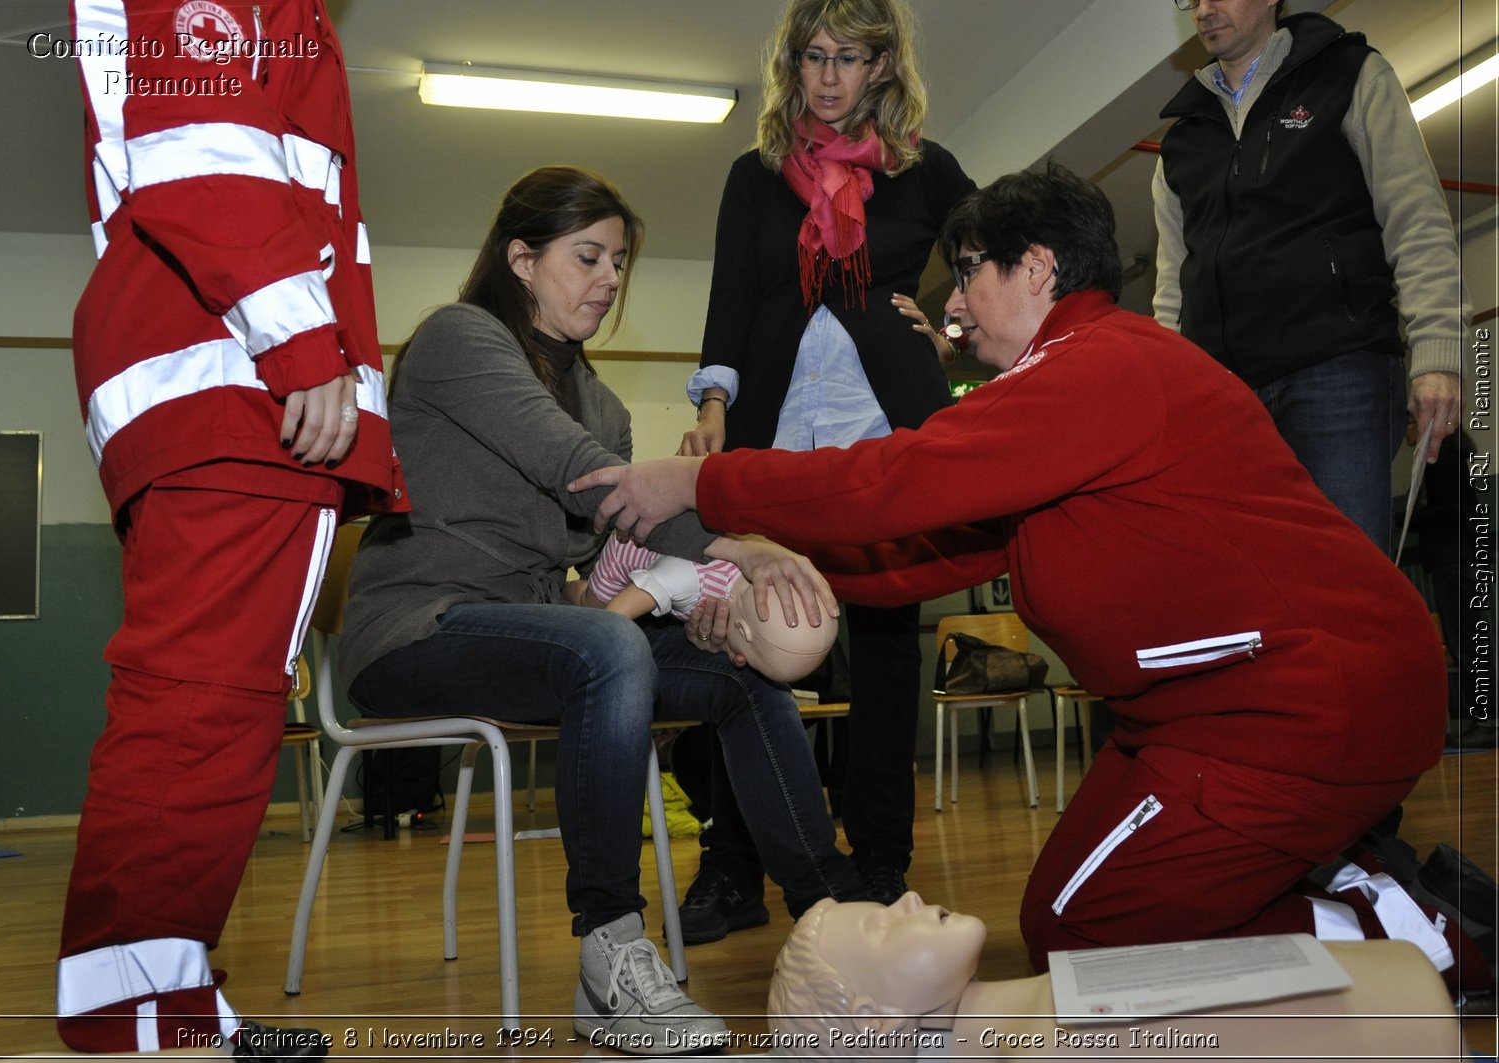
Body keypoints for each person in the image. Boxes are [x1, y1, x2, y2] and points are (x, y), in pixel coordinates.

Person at [570, 164, 1490, 999]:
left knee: (1083, 927)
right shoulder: (1069, 391)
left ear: (1039, 267)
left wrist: (701, 481)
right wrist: (762, 569)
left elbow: (897, 481)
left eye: (970, 271)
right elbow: (916, 560)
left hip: (1306, 705)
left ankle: (1411, 932)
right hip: (1204, 715)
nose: (956, 303)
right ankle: (1341, 874)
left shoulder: (1099, 365)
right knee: (1064, 919)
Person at [336, 166, 866, 1053]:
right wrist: (741, 542)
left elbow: (592, 572)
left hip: (545, 634)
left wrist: (687, 608)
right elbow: (582, 472)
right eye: (588, 256)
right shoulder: (458, 338)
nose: (610, 278)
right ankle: (611, 950)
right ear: (521, 258)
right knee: (602, 650)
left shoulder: (606, 404)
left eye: (618, 262)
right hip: (417, 631)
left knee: (732, 677)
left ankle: (834, 916)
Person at [56, 2, 403, 1057]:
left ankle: (162, 1000)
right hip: (234, 380)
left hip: (216, 379)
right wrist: (303, 347)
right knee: (203, 704)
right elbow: (199, 142)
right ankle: (139, 1019)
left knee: (205, 703)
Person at [675, 0, 978, 936]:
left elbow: (995, 248)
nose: (830, 76)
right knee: (750, 643)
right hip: (775, 436)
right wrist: (714, 410)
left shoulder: (924, 171)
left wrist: (956, 325)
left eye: (850, 58)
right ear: (793, 64)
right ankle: (733, 863)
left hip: (884, 440)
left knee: (885, 654)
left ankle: (881, 863)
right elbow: (731, 297)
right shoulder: (755, 175)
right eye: (814, 57)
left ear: (884, 68)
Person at [1153, 0, 1470, 555]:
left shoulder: (1350, 75)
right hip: (1226, 402)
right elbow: (1171, 290)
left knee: (1349, 580)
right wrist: (1169, 403)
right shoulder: (1181, 141)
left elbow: (1416, 218)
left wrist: (1438, 354)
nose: (1203, 9)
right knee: (1261, 592)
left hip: (1339, 373)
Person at [766, 894, 1463, 1061]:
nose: (909, 899)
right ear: (875, 1019)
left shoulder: (1040, 1003)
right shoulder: (1040, 1041)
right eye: (885, 923)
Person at [564, 538, 837, 684]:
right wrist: (609, 630)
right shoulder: (691, 578)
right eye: (749, 659)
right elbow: (620, 612)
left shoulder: (757, 570)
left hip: (666, 560)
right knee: (592, 605)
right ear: (743, 630)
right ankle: (565, 589)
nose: (739, 658)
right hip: (628, 551)